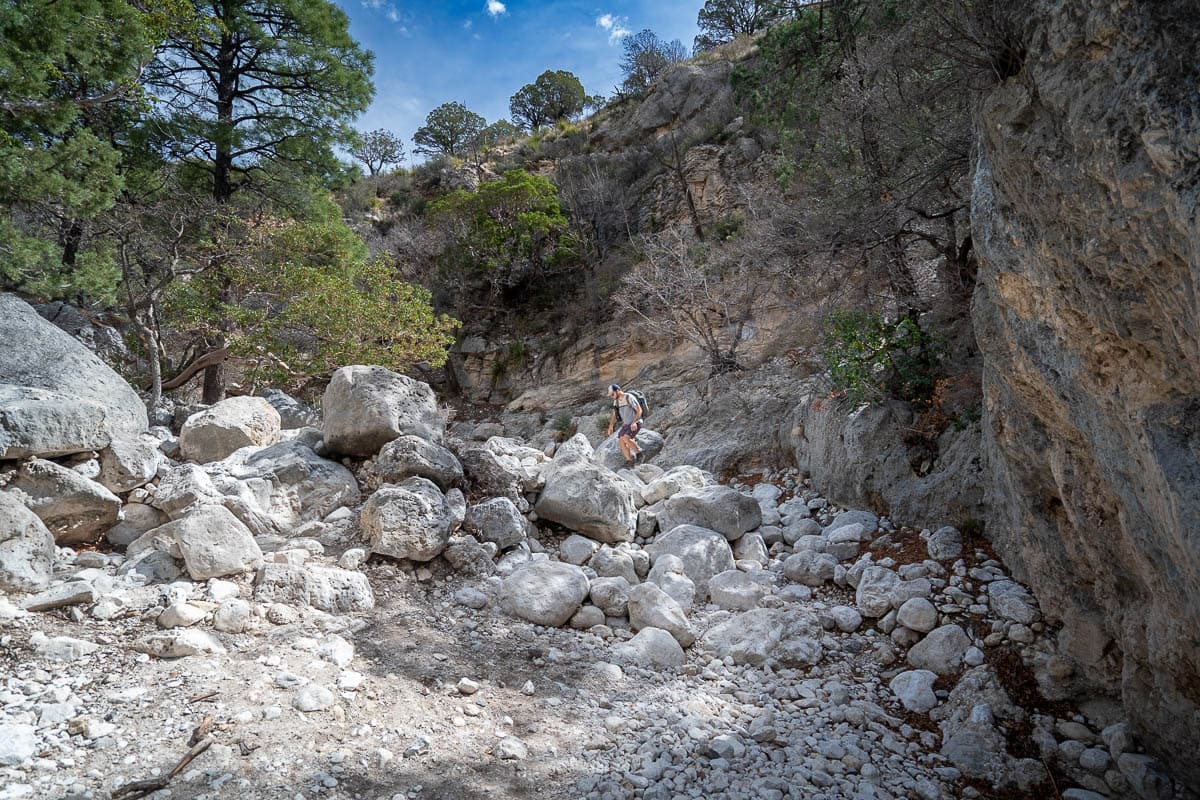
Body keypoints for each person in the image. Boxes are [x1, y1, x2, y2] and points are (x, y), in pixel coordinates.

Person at [606, 383, 643, 465]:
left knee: (626, 438)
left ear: (618, 390)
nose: (612, 396)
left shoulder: (628, 397)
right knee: (621, 441)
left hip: (636, 422)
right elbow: (614, 414)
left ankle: (639, 454)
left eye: (612, 394)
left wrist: (634, 422)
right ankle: (629, 461)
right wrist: (611, 426)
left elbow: (639, 410)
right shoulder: (616, 402)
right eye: (611, 395)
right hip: (626, 425)